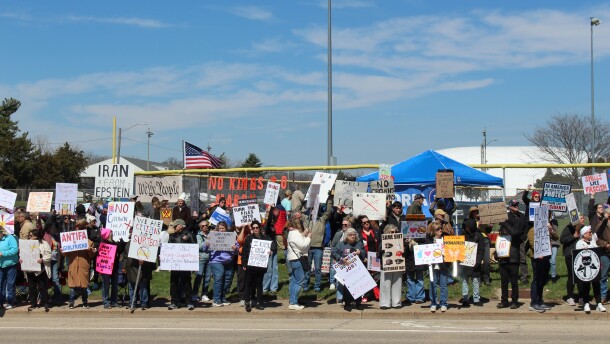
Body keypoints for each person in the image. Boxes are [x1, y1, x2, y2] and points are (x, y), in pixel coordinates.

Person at [527, 211, 559, 313]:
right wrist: (539, 252)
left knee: (543, 280)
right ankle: (534, 302)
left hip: (546, 257)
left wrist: (551, 230)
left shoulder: (546, 229)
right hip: (537, 258)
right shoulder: (533, 230)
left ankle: (540, 301)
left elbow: (556, 238)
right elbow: (532, 243)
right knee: (537, 279)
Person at [61, 217, 97, 309]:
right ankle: (71, 302)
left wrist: (90, 250)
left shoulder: (89, 242)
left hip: (83, 266)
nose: (78, 229)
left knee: (84, 286)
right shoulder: (70, 241)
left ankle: (85, 302)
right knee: (72, 286)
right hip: (73, 265)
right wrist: (62, 250)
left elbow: (92, 255)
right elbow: (66, 254)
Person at [241, 220, 276, 312]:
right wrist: (244, 264)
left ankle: (259, 302)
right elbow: (244, 252)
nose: (256, 229)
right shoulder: (249, 238)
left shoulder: (265, 238)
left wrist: (271, 251)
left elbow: (273, 245)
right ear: (252, 229)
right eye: (254, 228)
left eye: (257, 227)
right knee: (248, 284)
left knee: (259, 285)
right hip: (250, 265)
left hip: (260, 266)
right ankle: (247, 302)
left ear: (260, 228)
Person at [302, 197, 333, 294]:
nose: (313, 212)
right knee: (307, 268)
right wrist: (305, 200)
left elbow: (328, 212)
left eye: (315, 210)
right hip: (308, 247)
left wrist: (329, 199)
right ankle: (306, 286)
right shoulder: (307, 221)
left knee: (318, 269)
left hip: (318, 248)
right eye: (312, 210)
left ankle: (317, 286)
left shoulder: (322, 220)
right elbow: (300, 211)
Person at [205, 221, 239, 307]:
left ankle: (223, 297)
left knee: (227, 279)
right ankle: (216, 299)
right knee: (219, 278)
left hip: (228, 261)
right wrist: (207, 245)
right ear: (217, 229)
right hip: (216, 261)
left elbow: (237, 249)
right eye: (220, 228)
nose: (221, 230)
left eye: (223, 228)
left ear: (226, 229)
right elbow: (205, 250)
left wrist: (235, 248)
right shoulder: (212, 236)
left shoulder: (231, 237)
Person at [332, 227, 366, 311]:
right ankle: (347, 304)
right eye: (351, 235)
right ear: (347, 236)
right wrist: (340, 258)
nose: (353, 236)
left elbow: (364, 253)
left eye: (354, 235)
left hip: (357, 268)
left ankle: (358, 303)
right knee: (347, 287)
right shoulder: (341, 244)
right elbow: (334, 252)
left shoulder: (359, 244)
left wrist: (360, 252)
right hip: (346, 268)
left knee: (358, 286)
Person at [575, 225, 606, 313]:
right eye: (589, 232)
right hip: (585, 270)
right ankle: (586, 304)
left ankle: (599, 304)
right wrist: (583, 250)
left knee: (596, 285)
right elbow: (578, 256)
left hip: (594, 269)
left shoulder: (592, 241)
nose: (591, 233)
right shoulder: (579, 243)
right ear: (584, 234)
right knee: (586, 286)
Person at [167, 219, 197, 310]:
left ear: (180, 226)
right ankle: (174, 302)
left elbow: (194, 248)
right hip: (175, 263)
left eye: (175, 226)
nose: (174, 228)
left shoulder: (190, 235)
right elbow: (169, 248)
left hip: (186, 264)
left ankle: (189, 302)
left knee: (187, 282)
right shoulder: (172, 236)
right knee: (174, 282)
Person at [460, 207, 485, 307]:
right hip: (465, 264)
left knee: (475, 282)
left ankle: (476, 299)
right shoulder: (463, 236)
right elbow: (459, 248)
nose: (465, 228)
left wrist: (478, 262)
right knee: (465, 282)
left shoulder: (479, 236)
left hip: (475, 264)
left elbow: (481, 250)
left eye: (467, 226)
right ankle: (465, 299)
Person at [22, 229, 52, 311]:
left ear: (36, 236)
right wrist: (22, 260)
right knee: (31, 287)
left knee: (42, 286)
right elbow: (23, 254)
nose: (29, 237)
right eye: (29, 235)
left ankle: (46, 303)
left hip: (41, 269)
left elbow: (49, 255)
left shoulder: (44, 243)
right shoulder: (26, 244)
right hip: (30, 269)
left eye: (31, 235)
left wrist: (42, 259)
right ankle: (33, 303)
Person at [286, 215, 311, 310]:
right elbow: (303, 245)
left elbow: (299, 241)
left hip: (294, 258)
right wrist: (308, 237)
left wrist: (304, 234)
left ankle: (294, 299)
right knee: (299, 280)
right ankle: (293, 302)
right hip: (297, 259)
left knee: (294, 280)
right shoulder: (294, 233)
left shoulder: (292, 233)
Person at [122, 241, 156, 310]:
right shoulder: (129, 244)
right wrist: (124, 266)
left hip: (143, 269)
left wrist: (145, 260)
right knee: (132, 287)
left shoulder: (146, 243)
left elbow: (151, 255)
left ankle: (144, 303)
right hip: (131, 268)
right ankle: (132, 303)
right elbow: (125, 256)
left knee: (143, 287)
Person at [590, 194, 610, 303]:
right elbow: (596, 239)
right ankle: (603, 296)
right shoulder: (601, 224)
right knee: (603, 275)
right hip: (605, 253)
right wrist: (605, 244)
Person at [262, 205, 287, 294]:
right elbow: (269, 220)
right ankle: (265, 288)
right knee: (268, 269)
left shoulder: (273, 225)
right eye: (272, 219)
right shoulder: (266, 226)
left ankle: (273, 288)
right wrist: (271, 209)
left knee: (275, 269)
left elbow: (274, 217)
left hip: (274, 248)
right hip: (268, 250)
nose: (273, 220)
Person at [377, 224, 403, 309]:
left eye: (396, 232)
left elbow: (403, 253)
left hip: (397, 265)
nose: (394, 233)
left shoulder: (400, 241)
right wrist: (382, 251)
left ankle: (396, 302)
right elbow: (378, 255)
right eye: (392, 232)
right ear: (387, 232)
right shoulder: (383, 241)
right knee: (385, 284)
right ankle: (385, 303)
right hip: (386, 265)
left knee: (397, 283)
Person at [99, 228, 125, 309]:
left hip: (114, 266)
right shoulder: (103, 244)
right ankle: (106, 302)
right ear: (107, 235)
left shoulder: (114, 243)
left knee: (115, 285)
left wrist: (121, 243)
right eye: (111, 233)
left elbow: (120, 251)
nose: (112, 233)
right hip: (106, 268)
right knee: (106, 285)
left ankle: (114, 301)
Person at [192, 220, 211, 302]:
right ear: (200, 227)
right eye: (202, 226)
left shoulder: (212, 234)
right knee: (199, 276)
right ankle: (194, 294)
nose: (205, 227)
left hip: (210, 258)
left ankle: (204, 294)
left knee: (207, 277)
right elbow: (199, 247)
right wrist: (206, 241)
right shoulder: (198, 236)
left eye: (206, 225)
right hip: (201, 258)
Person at [0, 225, 18, 309]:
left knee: (10, 283)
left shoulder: (10, 238)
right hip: (0, 265)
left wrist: (3, 253)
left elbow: (15, 250)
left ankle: (10, 301)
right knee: (1, 284)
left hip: (11, 264)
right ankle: (1, 301)